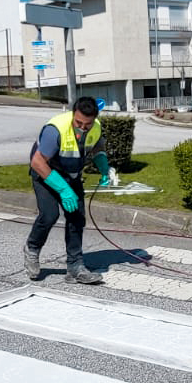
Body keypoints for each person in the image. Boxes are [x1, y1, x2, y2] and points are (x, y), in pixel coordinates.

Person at [25, 97, 111, 285]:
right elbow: (37, 162)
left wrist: (105, 169)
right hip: (45, 173)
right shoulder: (55, 129)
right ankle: (32, 249)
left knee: (76, 218)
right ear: (73, 114)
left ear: (94, 119)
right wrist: (63, 189)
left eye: (87, 124)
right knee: (49, 215)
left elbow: (97, 148)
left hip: (71, 175)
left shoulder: (95, 128)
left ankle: (75, 268)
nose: (82, 127)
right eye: (78, 122)